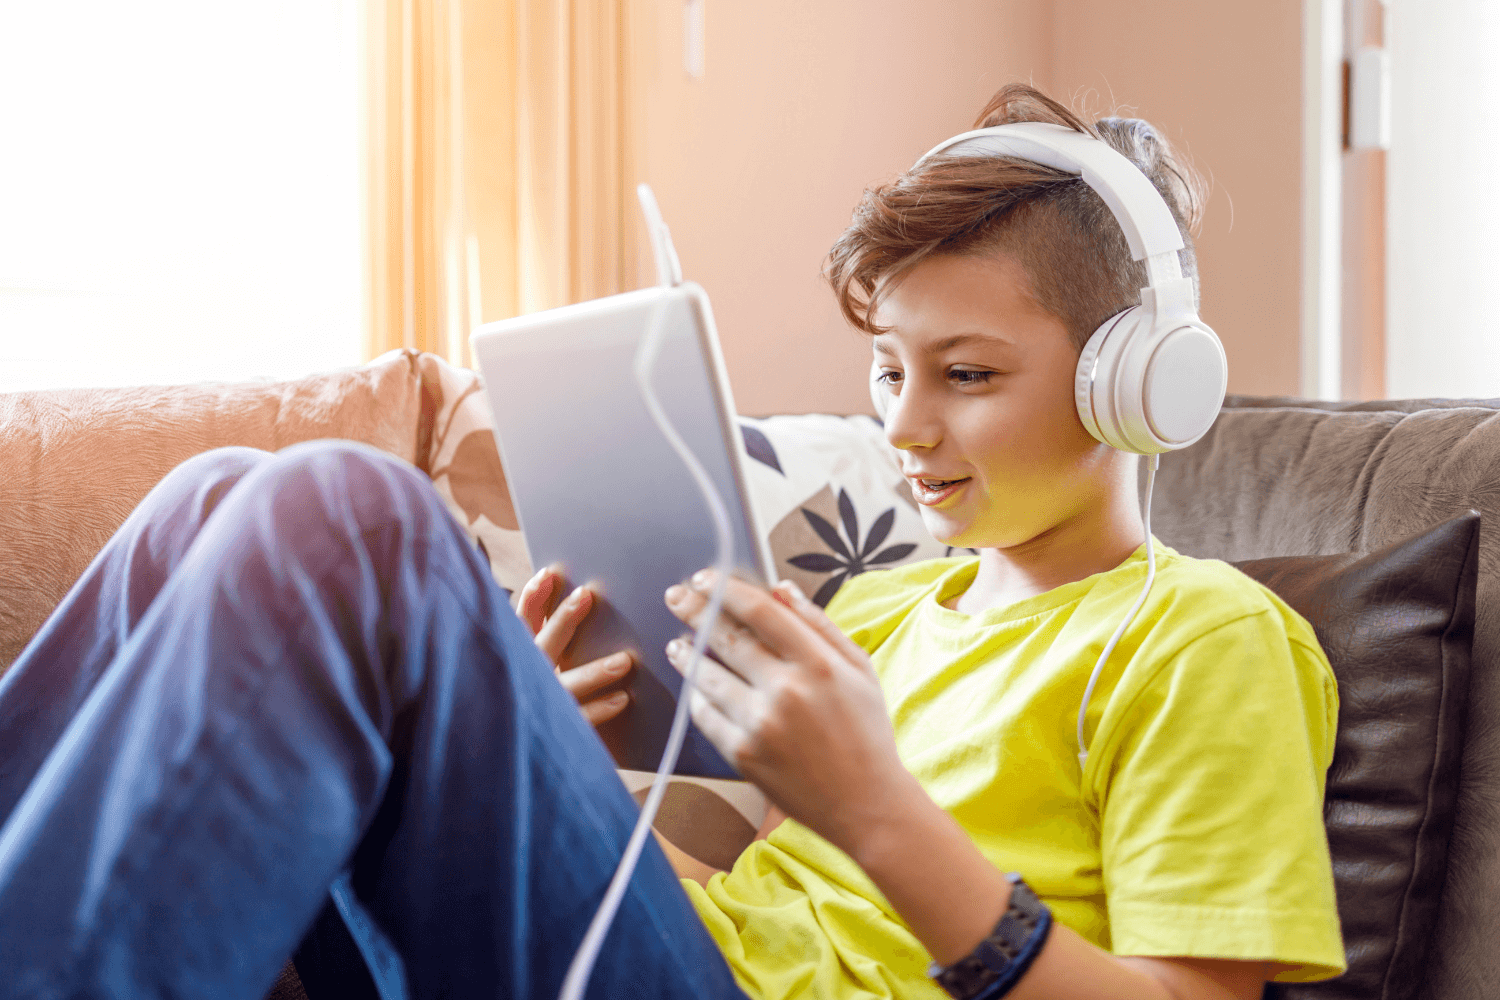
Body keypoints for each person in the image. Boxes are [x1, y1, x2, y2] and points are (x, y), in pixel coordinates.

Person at [0, 83, 1345, 1000]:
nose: (909, 428)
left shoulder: (1201, 639)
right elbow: (761, 912)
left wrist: (873, 807)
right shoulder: (872, 615)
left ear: (1139, 383)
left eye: (970, 376)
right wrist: (550, 771)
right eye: (889, 372)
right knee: (213, 501)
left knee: (351, 519)